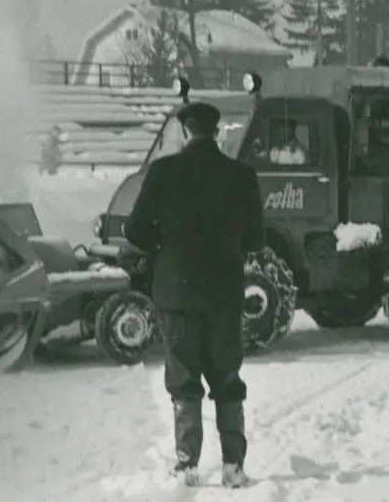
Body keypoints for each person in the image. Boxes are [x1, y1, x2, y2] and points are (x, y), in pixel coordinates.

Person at [124, 99, 265, 488]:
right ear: (216, 132)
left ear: (185, 132)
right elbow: (255, 238)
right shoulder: (241, 176)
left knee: (183, 378)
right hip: (224, 295)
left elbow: (135, 231)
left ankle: (187, 465)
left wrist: (166, 247)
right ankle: (233, 467)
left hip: (177, 295)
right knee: (227, 378)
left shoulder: (163, 171)